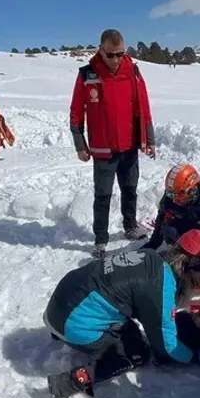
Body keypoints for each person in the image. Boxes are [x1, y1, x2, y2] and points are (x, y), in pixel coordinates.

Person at [44, 229, 200, 398]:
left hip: (61, 303)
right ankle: (72, 381)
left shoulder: (152, 258)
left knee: (130, 331)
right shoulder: (160, 284)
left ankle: (62, 330)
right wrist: (192, 357)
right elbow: (166, 345)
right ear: (190, 264)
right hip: (70, 323)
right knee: (136, 352)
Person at [69, 28, 156, 258]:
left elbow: (144, 107)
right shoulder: (87, 75)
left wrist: (149, 139)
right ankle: (100, 239)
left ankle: (130, 226)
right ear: (101, 50)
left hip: (128, 146)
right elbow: (76, 111)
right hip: (102, 150)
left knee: (130, 189)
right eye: (111, 55)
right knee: (103, 195)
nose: (117, 59)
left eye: (120, 54)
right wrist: (80, 143)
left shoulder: (133, 72)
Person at [142, 163, 200, 253]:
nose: (174, 200)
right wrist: (152, 245)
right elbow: (161, 220)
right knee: (168, 231)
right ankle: (179, 250)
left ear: (192, 190)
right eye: (171, 194)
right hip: (187, 224)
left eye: (179, 195)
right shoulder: (172, 194)